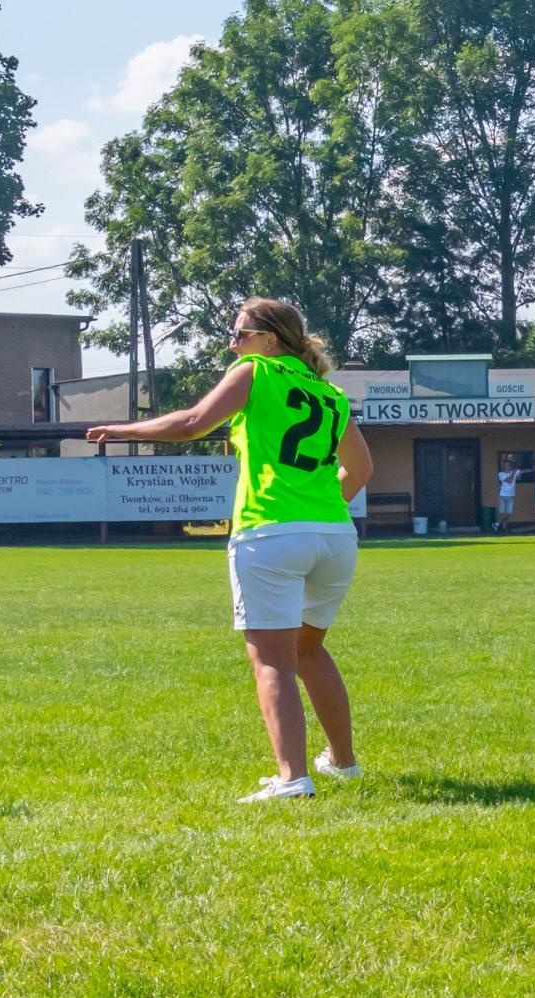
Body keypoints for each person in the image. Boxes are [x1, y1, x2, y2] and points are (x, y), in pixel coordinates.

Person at [87, 297, 374, 803]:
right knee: (308, 650)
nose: (233, 343)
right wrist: (317, 510)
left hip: (270, 532)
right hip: (334, 535)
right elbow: (362, 469)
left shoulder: (255, 371)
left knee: (272, 660)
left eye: (241, 334)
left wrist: (122, 429)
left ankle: (293, 779)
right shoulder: (328, 392)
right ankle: (343, 764)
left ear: (269, 339)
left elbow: (192, 423)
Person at [496, 457, 519, 533]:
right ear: (503, 466)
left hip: (511, 495)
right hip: (502, 495)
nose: (507, 466)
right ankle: (504, 527)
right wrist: (514, 472)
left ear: (510, 466)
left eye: (508, 465)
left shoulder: (513, 472)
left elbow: (523, 471)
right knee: (502, 512)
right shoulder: (501, 474)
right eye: (505, 465)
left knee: (509, 513)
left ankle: (497, 524)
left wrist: (532, 470)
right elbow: (509, 480)